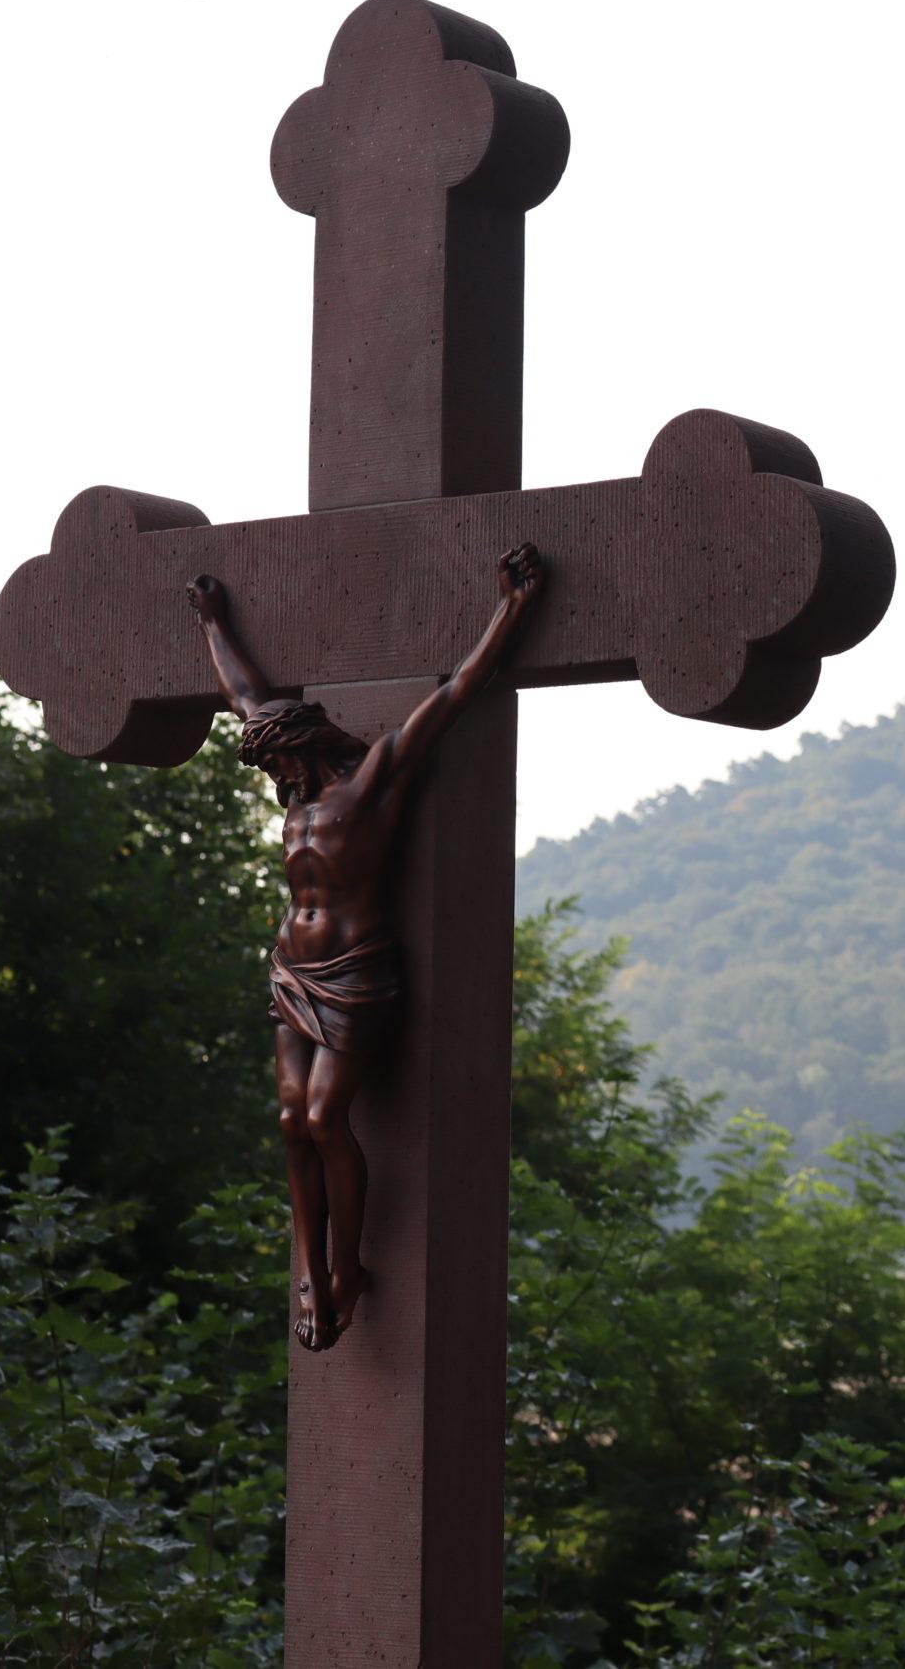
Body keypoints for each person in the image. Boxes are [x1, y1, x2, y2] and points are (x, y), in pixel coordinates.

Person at [188, 544, 544, 1350]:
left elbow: (453, 693)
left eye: (278, 756)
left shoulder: (374, 775)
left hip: (356, 971)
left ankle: (348, 1265)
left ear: (305, 741)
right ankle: (310, 1270)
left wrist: (512, 609)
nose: (274, 771)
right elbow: (243, 692)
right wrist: (215, 621)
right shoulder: (299, 786)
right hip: (292, 969)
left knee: (324, 1115)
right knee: (289, 1119)